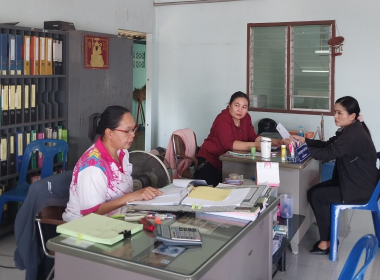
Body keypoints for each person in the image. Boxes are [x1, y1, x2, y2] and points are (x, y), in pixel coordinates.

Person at [291, 96, 378, 255]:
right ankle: (329, 237)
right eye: (335, 112)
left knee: (318, 196)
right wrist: (304, 141)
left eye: (339, 113)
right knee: (313, 192)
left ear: (352, 116)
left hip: (360, 188)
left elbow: (328, 153)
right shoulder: (351, 129)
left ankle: (327, 242)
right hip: (353, 181)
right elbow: (328, 145)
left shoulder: (353, 134)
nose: (335, 116)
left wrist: (300, 150)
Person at [63, 106, 163, 222]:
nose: (133, 135)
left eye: (133, 130)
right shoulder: (93, 166)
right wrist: (132, 196)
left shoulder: (122, 151)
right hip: (85, 228)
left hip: (117, 219)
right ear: (109, 133)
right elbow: (91, 214)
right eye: (127, 131)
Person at [194, 91, 284, 186]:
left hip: (229, 163)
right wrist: (256, 146)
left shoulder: (246, 118)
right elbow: (230, 144)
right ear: (229, 105)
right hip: (210, 163)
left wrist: (273, 141)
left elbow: (253, 137)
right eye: (237, 105)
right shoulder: (222, 119)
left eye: (244, 107)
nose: (240, 110)